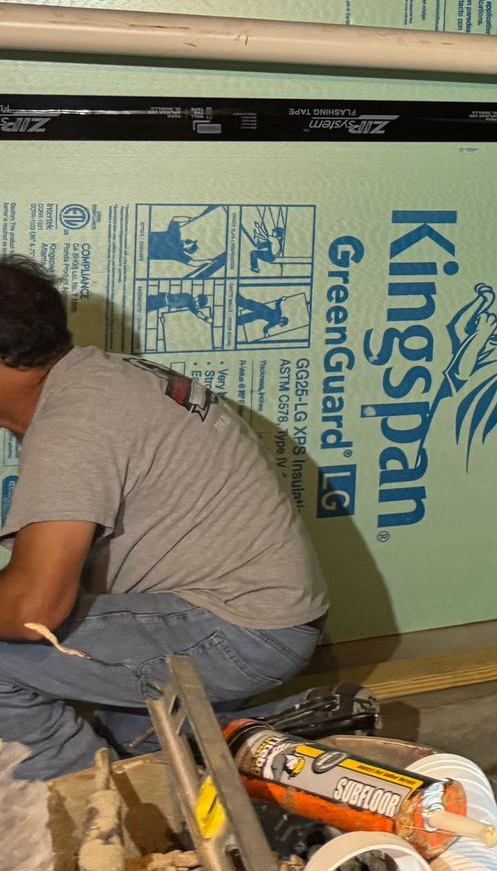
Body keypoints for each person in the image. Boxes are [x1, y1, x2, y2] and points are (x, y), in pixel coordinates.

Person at [0, 256, 328, 779]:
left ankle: (91, 808)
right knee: (115, 715)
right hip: (256, 615)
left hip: (239, 627)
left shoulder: (73, 423)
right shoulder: (94, 380)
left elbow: (32, 611)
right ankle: (276, 745)